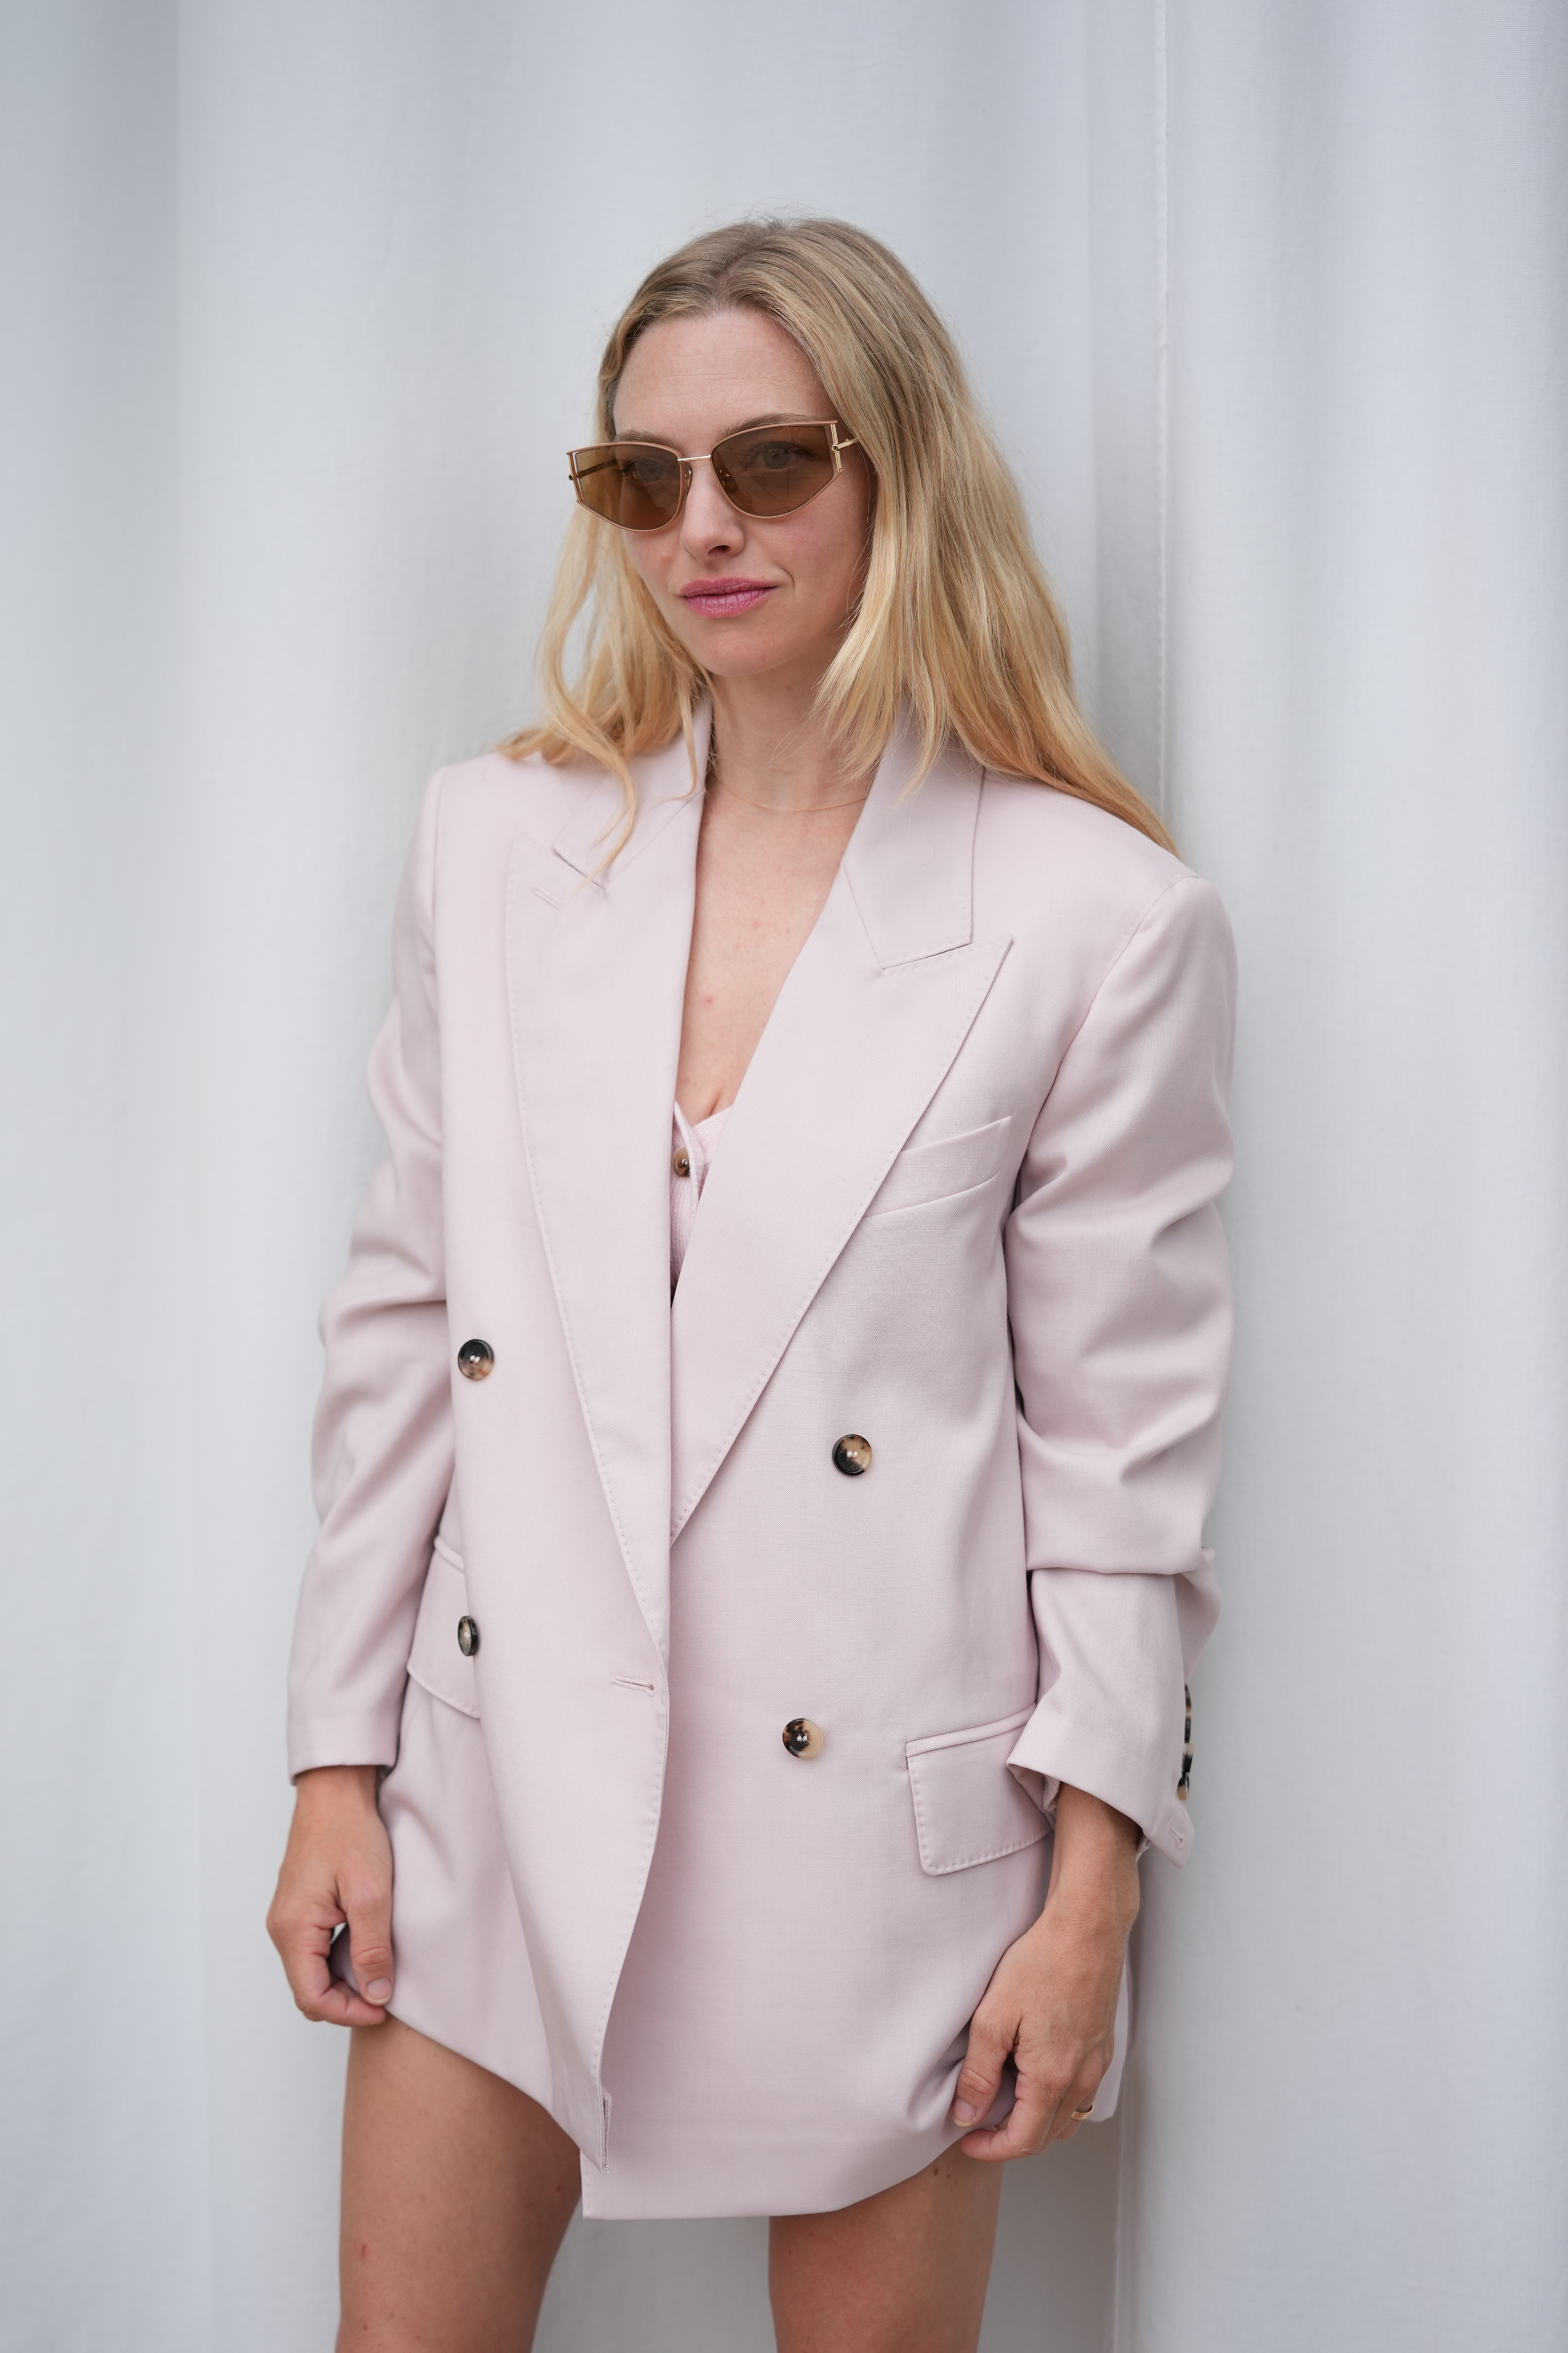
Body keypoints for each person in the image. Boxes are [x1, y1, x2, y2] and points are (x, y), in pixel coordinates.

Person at [267, 216, 1234, 2353]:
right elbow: (402, 1326)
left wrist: (1092, 1896)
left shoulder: (1092, 917)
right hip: (494, 1778)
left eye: (770, 463)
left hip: (876, 1843)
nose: (697, 527)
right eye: (640, 478)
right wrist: (335, 1760)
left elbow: (1116, 1468)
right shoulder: (498, 848)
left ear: (898, 472)